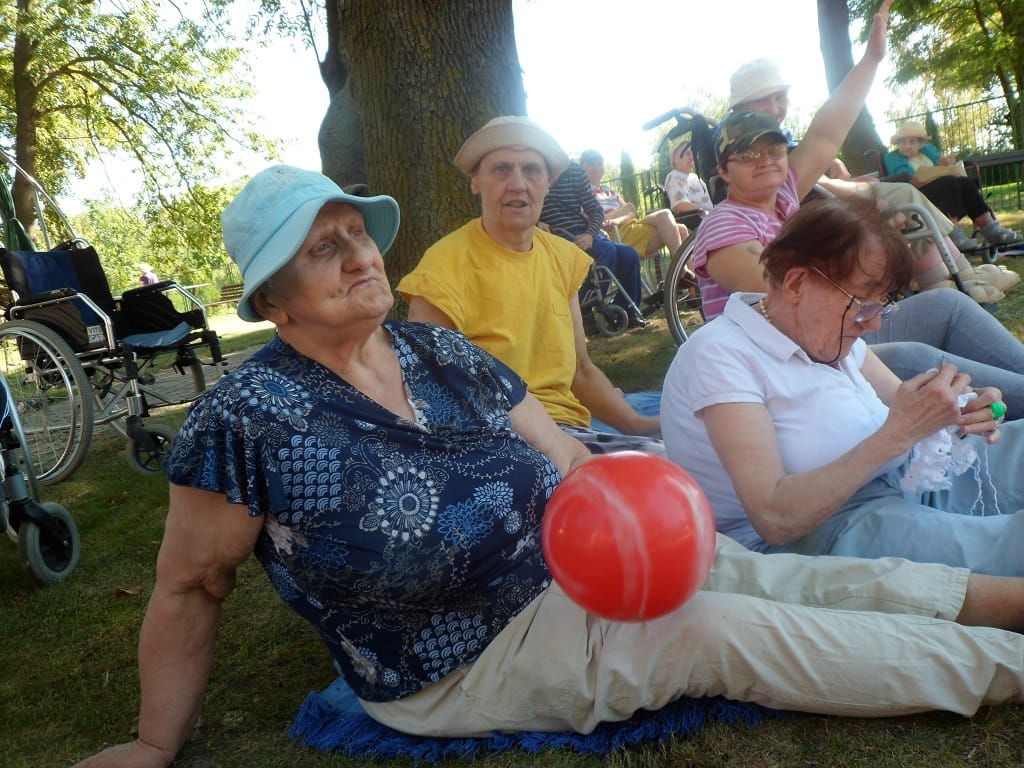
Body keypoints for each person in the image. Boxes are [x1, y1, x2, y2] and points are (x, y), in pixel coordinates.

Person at [73, 159, 1024, 768]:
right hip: (462, 657)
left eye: (357, 233)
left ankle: (1008, 605)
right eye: (324, 250)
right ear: (273, 301)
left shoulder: (438, 354)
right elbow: (190, 587)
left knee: (773, 573)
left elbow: (571, 456)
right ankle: (999, 667)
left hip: (583, 567)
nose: (359, 255)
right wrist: (157, 744)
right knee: (718, 629)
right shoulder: (247, 419)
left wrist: (653, 510)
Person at [662, 195, 1024, 577]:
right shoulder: (720, 355)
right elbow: (774, 517)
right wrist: (898, 434)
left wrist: (961, 411)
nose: (874, 324)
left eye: (882, 305)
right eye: (862, 303)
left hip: (902, 483)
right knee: (1009, 547)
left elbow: (905, 405)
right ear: (798, 284)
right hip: (815, 540)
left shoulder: (826, 337)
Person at [690, 109, 1024, 417]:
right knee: (913, 359)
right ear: (723, 170)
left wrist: (872, 58)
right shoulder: (725, 222)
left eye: (775, 150)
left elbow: (825, 134)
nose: (764, 161)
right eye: (748, 154)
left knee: (946, 304)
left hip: (837, 328)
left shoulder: (783, 204)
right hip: (798, 354)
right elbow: (778, 290)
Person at [398, 116, 662, 454]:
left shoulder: (562, 256)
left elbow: (580, 370)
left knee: (700, 449)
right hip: (504, 445)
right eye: (502, 170)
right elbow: (431, 399)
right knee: (661, 473)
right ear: (475, 181)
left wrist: (638, 427)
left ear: (548, 184)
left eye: (532, 171)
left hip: (574, 431)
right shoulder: (442, 270)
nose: (518, 184)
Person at [723, 58, 1018, 301]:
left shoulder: (781, 143)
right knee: (897, 196)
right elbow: (804, 178)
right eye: (763, 101)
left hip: (807, 209)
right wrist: (854, 187)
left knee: (899, 194)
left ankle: (959, 274)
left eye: (779, 97)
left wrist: (873, 58)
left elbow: (814, 155)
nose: (775, 109)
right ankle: (947, 278)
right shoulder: (735, 148)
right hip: (808, 216)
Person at [539, 158, 647, 326]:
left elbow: (596, 211)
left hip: (582, 232)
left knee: (629, 254)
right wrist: (535, 223)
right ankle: (585, 307)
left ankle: (625, 311)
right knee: (606, 251)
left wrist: (590, 234)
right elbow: (526, 206)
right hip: (555, 235)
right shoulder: (535, 168)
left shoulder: (575, 171)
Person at [884, 121, 1023, 246]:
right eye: (902, 142)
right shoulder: (893, 158)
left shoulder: (928, 151)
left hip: (942, 190)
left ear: (921, 143)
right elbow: (906, 179)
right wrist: (937, 168)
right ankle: (953, 232)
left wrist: (946, 164)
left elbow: (942, 167)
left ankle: (993, 229)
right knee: (949, 183)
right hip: (917, 194)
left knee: (965, 182)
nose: (906, 146)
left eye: (911, 142)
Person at [579, 148, 688, 258]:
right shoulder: (583, 193)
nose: (597, 167)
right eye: (591, 164)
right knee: (674, 226)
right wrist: (618, 216)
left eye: (599, 163)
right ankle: (683, 271)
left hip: (630, 225)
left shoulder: (609, 191)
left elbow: (632, 212)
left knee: (678, 226)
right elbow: (598, 219)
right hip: (615, 234)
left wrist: (617, 220)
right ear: (582, 168)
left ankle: (688, 273)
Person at [662, 140, 714, 227]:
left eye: (692, 153)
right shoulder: (675, 176)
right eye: (687, 154)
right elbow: (680, 205)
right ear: (675, 160)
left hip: (708, 218)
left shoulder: (695, 177)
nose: (692, 156)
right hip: (696, 221)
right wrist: (710, 213)